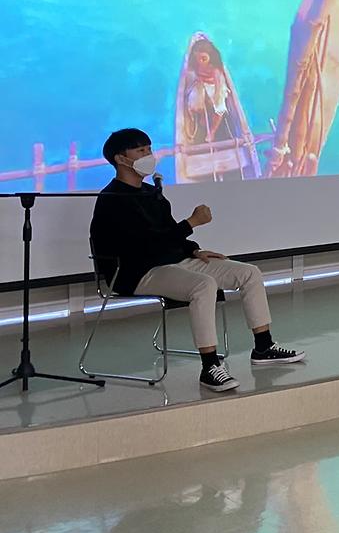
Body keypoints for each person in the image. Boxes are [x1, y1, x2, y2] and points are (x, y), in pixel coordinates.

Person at [90, 128, 305, 393]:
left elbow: (167, 232)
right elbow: (145, 244)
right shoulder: (112, 200)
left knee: (249, 273)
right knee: (204, 285)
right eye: (141, 151)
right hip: (138, 272)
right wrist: (191, 223)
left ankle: (263, 347)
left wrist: (194, 250)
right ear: (121, 159)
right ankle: (210, 366)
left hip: (173, 261)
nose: (149, 156)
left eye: (149, 149)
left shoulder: (150, 192)